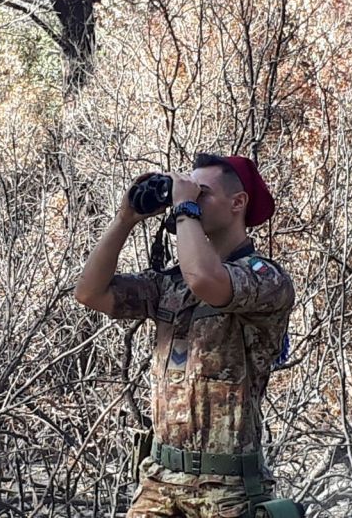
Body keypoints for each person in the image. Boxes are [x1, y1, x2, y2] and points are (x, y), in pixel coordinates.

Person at [75, 154, 295, 517]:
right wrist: (124, 220)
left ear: (238, 203)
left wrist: (184, 207)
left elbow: (207, 280)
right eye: (186, 193)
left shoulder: (266, 279)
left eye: (201, 193)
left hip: (228, 489)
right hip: (159, 480)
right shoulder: (171, 285)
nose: (188, 202)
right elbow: (90, 293)